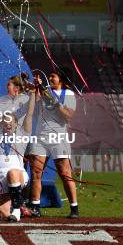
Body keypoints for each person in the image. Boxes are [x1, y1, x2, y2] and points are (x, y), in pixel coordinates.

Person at [28, 68, 79, 219]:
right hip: (40, 137)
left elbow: (68, 116)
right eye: (49, 76)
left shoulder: (68, 94)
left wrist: (55, 101)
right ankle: (35, 206)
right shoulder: (43, 91)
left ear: (61, 79)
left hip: (59, 138)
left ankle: (74, 208)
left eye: (53, 76)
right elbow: (33, 104)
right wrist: (34, 88)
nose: (50, 78)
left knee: (65, 173)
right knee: (36, 173)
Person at [0, 79, 35, 222]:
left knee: (12, 173)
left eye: (10, 121)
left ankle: (18, 209)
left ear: (15, 124)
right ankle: (14, 209)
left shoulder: (22, 134)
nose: (7, 123)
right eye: (5, 121)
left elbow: (30, 113)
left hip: (17, 175)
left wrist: (32, 94)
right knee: (4, 217)